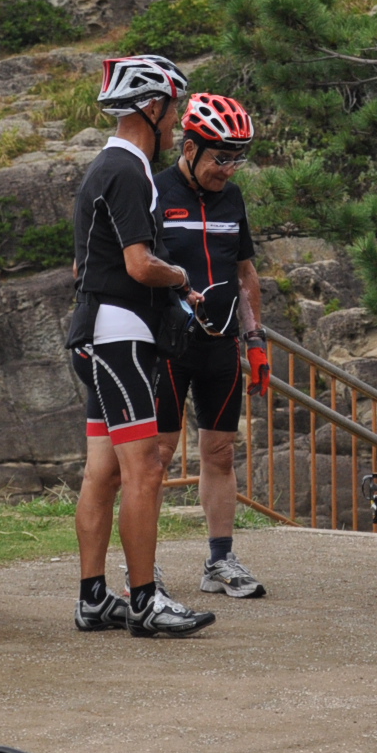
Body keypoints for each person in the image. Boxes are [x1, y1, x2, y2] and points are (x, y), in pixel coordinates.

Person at [67, 53, 218, 638]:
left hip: (98, 333)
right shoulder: (131, 173)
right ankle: (145, 599)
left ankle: (93, 598)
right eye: (174, 108)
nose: (177, 121)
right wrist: (182, 280)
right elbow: (138, 263)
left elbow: (85, 261)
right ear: (152, 108)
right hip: (123, 336)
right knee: (145, 469)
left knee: (101, 472)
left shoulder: (102, 169)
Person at [153, 92, 271, 599]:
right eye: (221, 157)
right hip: (167, 343)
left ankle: (220, 560)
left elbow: (245, 273)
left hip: (220, 345)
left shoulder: (233, 198)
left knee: (220, 453)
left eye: (237, 158)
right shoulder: (154, 190)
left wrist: (256, 340)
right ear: (190, 146)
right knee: (155, 457)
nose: (229, 168)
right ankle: (145, 566)